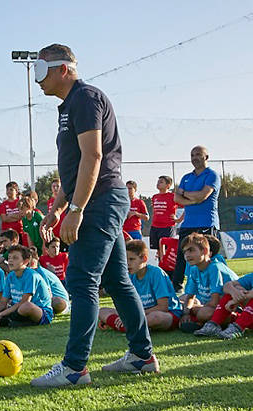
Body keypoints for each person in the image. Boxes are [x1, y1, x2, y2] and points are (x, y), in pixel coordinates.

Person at [32, 43, 157, 388]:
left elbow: (93, 156)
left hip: (99, 200)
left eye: (41, 71)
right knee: (117, 280)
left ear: (63, 69)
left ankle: (75, 368)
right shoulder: (68, 106)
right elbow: (73, 167)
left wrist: (76, 210)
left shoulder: (86, 98)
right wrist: (56, 209)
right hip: (94, 199)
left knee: (82, 280)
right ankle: (142, 356)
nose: (36, 79)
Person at [99, 240, 182, 332]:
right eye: (125, 260)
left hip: (167, 313)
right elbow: (127, 305)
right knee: (102, 311)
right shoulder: (129, 276)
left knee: (156, 317)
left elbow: (163, 307)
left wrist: (134, 315)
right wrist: (124, 314)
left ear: (144, 259)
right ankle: (134, 325)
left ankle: (128, 325)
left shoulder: (156, 273)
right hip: (142, 313)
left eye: (131, 259)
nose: (127, 264)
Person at [172, 146, 221, 292]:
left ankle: (213, 288)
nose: (195, 157)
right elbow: (176, 198)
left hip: (207, 223)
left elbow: (203, 196)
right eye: (192, 155)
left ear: (206, 157)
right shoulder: (186, 177)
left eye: (198, 154)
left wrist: (186, 194)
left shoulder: (212, 175)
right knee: (181, 256)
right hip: (188, 224)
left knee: (209, 257)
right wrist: (194, 199)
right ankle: (176, 288)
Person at [177, 233, 238, 332]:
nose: (187, 255)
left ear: (204, 251)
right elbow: (190, 296)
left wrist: (194, 308)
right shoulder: (194, 269)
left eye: (191, 250)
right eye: (184, 252)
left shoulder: (214, 268)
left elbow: (215, 302)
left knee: (203, 313)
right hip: (210, 306)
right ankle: (202, 322)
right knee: (182, 303)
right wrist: (186, 313)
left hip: (232, 306)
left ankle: (234, 319)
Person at [0, 245, 53, 328]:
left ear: (25, 261)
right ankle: (12, 321)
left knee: (26, 306)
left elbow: (24, 301)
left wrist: (0, 314)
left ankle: (11, 321)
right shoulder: (10, 276)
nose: (10, 261)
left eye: (15, 258)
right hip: (16, 308)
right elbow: (3, 302)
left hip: (40, 311)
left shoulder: (31, 275)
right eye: (9, 258)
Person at [194, 274, 253, 340]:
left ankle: (237, 328)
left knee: (238, 292)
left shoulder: (214, 266)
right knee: (234, 290)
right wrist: (234, 292)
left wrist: (235, 300)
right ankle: (213, 324)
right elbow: (227, 285)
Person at [149, 176, 178, 251]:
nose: (158, 183)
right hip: (155, 227)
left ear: (168, 185)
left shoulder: (173, 196)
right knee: (159, 251)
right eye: (158, 182)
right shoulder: (155, 197)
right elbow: (154, 210)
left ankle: (167, 263)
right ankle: (160, 263)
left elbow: (186, 206)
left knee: (167, 249)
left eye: (161, 182)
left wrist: (178, 219)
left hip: (167, 227)